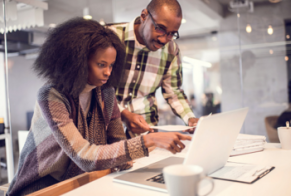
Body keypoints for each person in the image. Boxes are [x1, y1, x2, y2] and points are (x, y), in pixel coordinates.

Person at [6, 18, 191, 196]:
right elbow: (85, 156)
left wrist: (127, 157)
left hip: (80, 182)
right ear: (77, 61)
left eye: (111, 65)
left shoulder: (106, 93)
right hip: (42, 186)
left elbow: (117, 142)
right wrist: (150, 141)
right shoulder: (51, 96)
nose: (108, 72)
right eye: (101, 65)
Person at [107, 0, 199, 136]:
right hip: (108, 131)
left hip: (147, 134)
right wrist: (123, 114)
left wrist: (190, 118)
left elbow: (173, 91)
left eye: (172, 33)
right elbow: (96, 89)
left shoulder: (171, 50)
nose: (164, 40)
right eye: (160, 28)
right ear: (144, 16)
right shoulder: (110, 37)